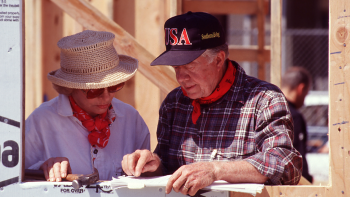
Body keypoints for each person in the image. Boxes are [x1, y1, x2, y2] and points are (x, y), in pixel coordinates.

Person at [122, 11, 302, 196]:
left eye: (190, 66)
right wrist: (152, 166)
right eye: (176, 67)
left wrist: (216, 170)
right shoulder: (174, 103)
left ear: (218, 59)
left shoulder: (264, 99)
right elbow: (168, 168)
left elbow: (286, 165)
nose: (181, 77)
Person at [25, 30, 150, 182]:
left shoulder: (131, 119)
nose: (106, 96)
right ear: (71, 88)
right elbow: (11, 179)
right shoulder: (41, 121)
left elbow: (149, 181)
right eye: (94, 90)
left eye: (114, 86)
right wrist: (42, 168)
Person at [281, 66, 313, 183]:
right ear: (301, 88)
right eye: (306, 93)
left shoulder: (269, 109)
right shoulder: (293, 115)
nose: (304, 99)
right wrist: (307, 182)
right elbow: (297, 156)